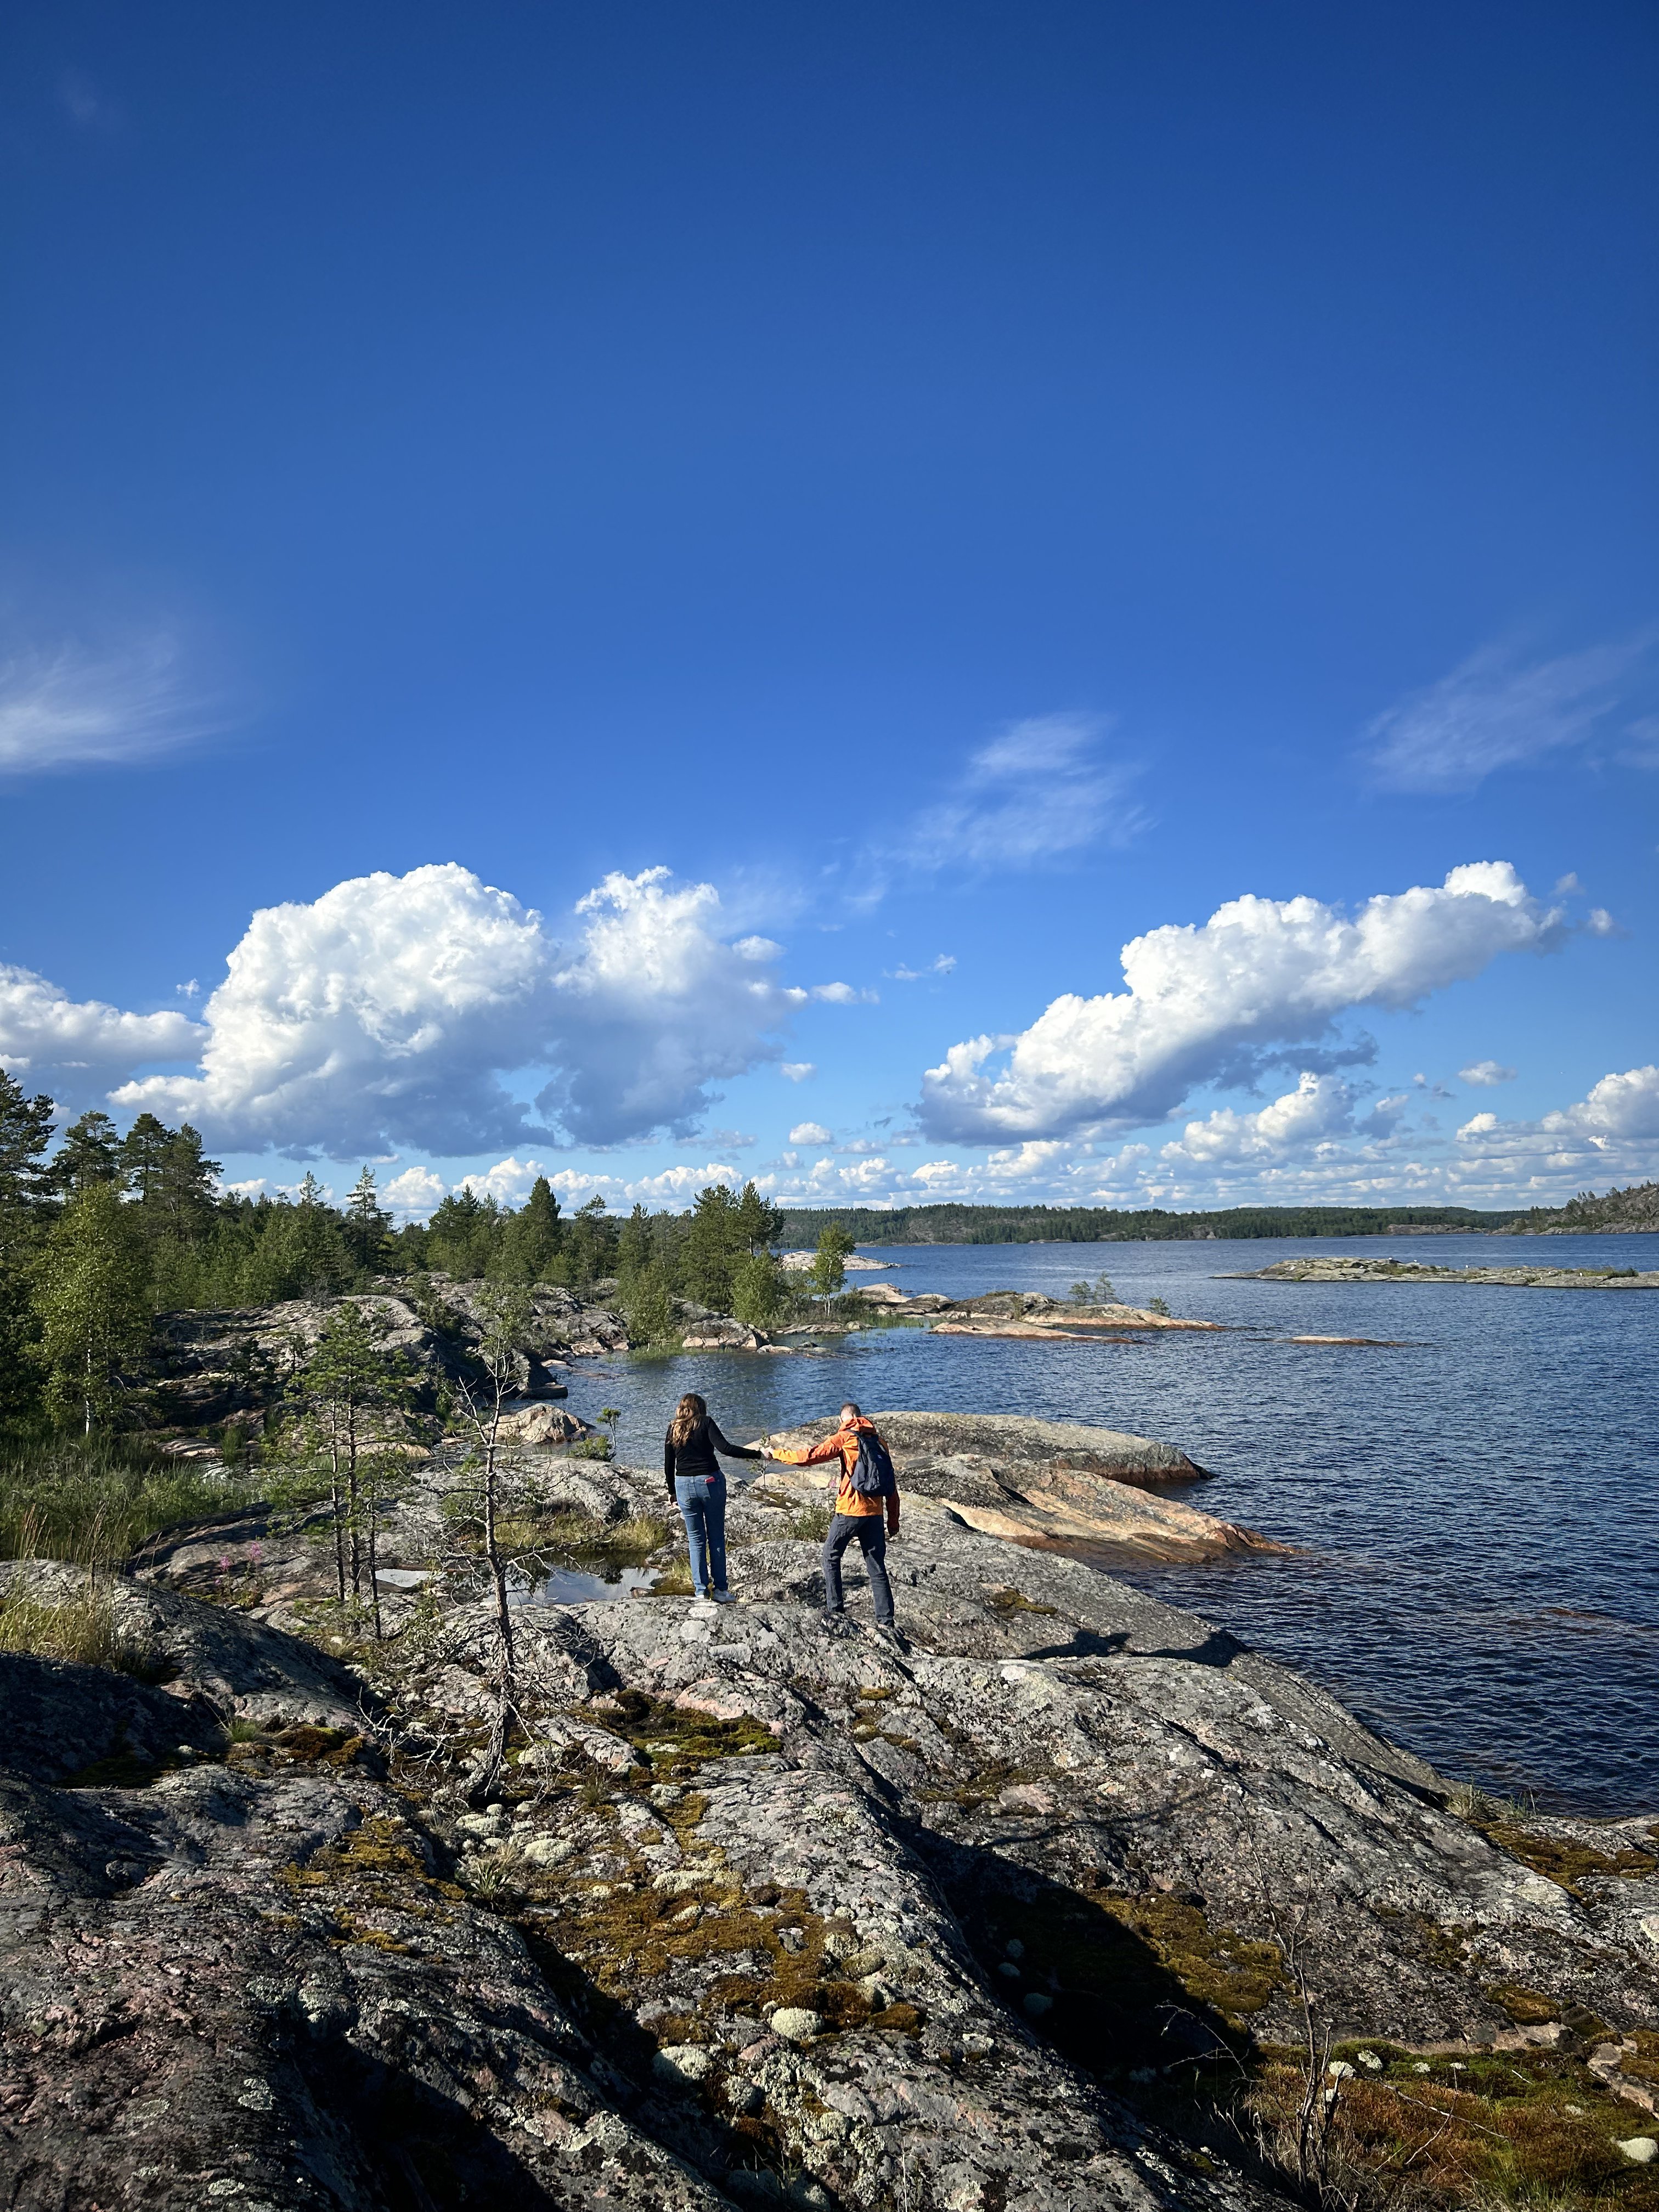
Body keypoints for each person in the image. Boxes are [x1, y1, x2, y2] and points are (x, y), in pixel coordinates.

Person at [772, 1401, 902, 1644]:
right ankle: (886, 1622)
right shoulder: (880, 1442)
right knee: (877, 1568)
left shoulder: (844, 1438)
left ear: (844, 1419)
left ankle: (836, 1611)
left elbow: (809, 1457)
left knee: (831, 1556)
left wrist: (777, 1454)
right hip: (875, 1514)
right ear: (861, 1417)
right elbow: (891, 1487)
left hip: (850, 1510)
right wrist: (892, 1522)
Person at [663, 1392, 764, 1603]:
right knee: (716, 1537)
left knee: (695, 1540)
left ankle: (701, 1592)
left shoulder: (673, 1428)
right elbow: (725, 1449)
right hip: (709, 1483)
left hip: (683, 1486)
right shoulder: (705, 1422)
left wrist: (672, 1492)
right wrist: (757, 1454)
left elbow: (668, 1465)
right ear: (700, 1408)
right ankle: (720, 1590)